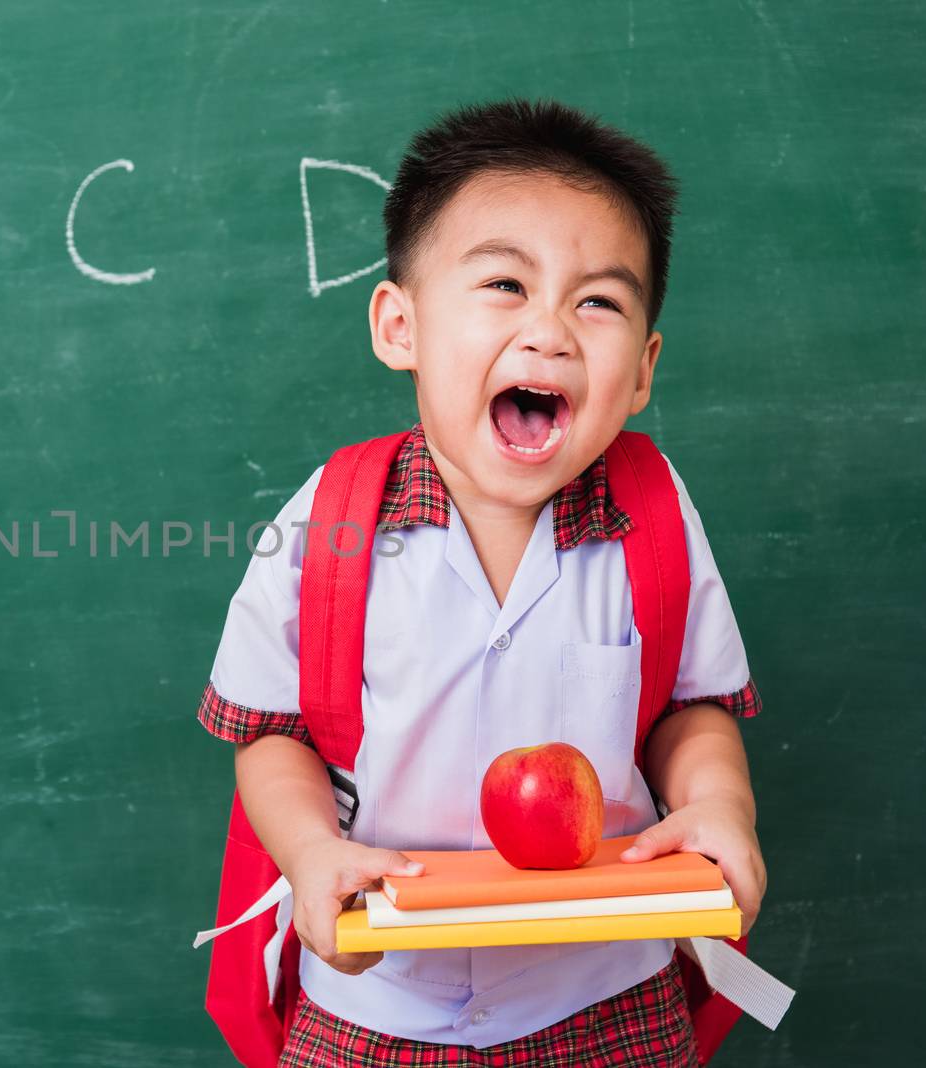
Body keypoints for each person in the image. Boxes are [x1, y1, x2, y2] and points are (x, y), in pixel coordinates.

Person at [197, 97, 766, 1065]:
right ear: (398, 325)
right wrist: (309, 853)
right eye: (505, 284)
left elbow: (690, 705)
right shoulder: (327, 516)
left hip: (604, 993)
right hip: (374, 1002)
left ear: (639, 374)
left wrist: (718, 805)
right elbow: (268, 733)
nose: (549, 331)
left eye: (599, 301)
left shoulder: (655, 513)